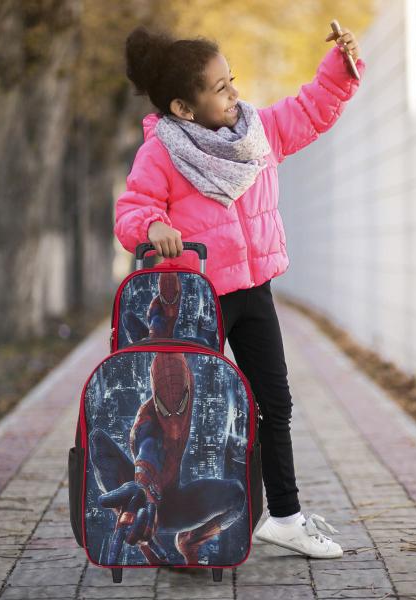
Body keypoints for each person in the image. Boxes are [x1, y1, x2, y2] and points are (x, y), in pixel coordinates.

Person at [114, 23, 365, 559]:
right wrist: (151, 227)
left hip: (254, 293)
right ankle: (177, 523)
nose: (235, 94)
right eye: (221, 88)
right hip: (197, 302)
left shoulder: (255, 132)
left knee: (275, 403)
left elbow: (308, 110)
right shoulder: (162, 152)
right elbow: (132, 208)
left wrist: (339, 69)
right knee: (199, 415)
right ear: (184, 107)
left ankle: (285, 516)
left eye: (232, 80)